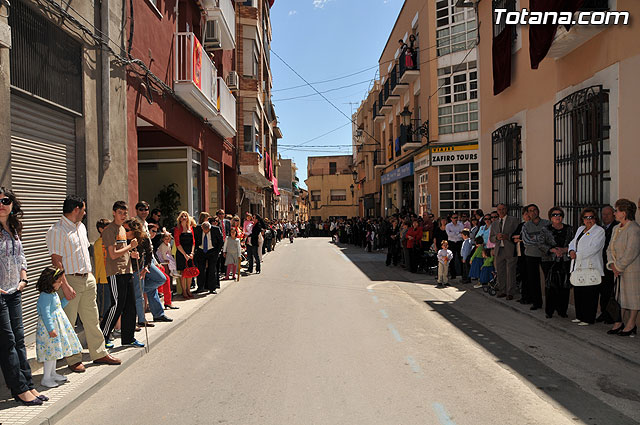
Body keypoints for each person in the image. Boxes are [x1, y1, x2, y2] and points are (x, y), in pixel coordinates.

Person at [46, 195, 121, 372]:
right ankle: (73, 359)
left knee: (92, 319)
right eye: (84, 209)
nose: (85, 212)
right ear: (76, 210)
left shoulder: (81, 227)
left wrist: (91, 276)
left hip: (87, 279)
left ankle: (99, 353)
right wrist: (64, 285)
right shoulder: (56, 230)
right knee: (69, 322)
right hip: (70, 279)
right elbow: (56, 260)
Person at [0, 187, 45, 405]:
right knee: (7, 342)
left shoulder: (14, 228)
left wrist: (24, 279)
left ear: (12, 205)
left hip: (15, 292)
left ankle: (28, 385)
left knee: (19, 341)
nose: (2, 204)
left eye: (5, 200)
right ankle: (19, 390)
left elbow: (22, 256)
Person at [100, 201, 144, 348]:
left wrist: (132, 253)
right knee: (116, 305)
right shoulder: (109, 230)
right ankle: (103, 337)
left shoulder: (123, 230)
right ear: (114, 213)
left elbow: (122, 251)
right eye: (120, 212)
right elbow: (112, 255)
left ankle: (128, 338)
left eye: (125, 213)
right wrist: (129, 247)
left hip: (127, 270)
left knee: (130, 306)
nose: (123, 215)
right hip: (115, 272)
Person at [36, 267, 83, 388]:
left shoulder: (52, 294)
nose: (61, 283)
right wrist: (51, 329)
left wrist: (66, 300)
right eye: (59, 281)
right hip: (49, 329)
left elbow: (57, 307)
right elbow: (46, 314)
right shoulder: (45, 296)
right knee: (50, 354)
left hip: (56, 326)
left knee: (55, 352)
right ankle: (46, 378)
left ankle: (52, 373)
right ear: (51, 282)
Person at [125, 219, 172, 324]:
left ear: (134, 230)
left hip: (144, 264)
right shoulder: (124, 239)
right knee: (140, 295)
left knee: (162, 278)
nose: (124, 231)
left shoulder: (143, 238)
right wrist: (129, 252)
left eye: (127, 230)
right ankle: (143, 319)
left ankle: (138, 290)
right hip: (134, 268)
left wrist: (146, 266)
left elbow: (149, 252)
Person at [606, 199, 640, 336]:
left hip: (631, 270)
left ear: (624, 213)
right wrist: (612, 265)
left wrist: (619, 267)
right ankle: (618, 322)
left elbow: (632, 251)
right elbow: (609, 249)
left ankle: (631, 323)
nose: (614, 213)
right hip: (617, 271)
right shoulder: (616, 228)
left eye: (617, 210)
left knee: (633, 297)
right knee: (619, 297)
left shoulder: (634, 229)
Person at [568, 208, 605, 325]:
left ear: (595, 218)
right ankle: (580, 315)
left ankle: (588, 318)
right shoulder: (580, 229)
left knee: (590, 294)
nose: (588, 220)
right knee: (579, 292)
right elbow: (572, 242)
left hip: (591, 266)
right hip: (578, 266)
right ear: (582, 219)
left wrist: (577, 255)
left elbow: (594, 248)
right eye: (586, 217)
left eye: (591, 217)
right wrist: (571, 251)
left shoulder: (599, 231)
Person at [542, 207, 573, 319]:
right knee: (551, 286)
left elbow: (574, 242)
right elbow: (541, 244)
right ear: (551, 217)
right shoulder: (545, 229)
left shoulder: (569, 229)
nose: (557, 217)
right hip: (550, 261)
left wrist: (565, 250)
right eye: (554, 215)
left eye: (559, 215)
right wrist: (553, 250)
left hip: (565, 260)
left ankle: (562, 310)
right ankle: (549, 310)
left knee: (564, 285)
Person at [521, 204, 551, 311]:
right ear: (527, 213)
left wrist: (535, 238)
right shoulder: (525, 226)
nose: (533, 212)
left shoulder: (547, 223)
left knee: (549, 280)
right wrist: (541, 241)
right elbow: (526, 240)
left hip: (545, 255)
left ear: (538, 211)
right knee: (533, 280)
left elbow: (549, 238)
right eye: (530, 211)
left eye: (534, 210)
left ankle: (551, 305)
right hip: (531, 255)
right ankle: (536, 303)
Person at [490, 203, 519, 299]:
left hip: (510, 249)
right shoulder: (494, 223)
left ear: (506, 210)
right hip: (499, 250)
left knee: (510, 271)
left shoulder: (513, 220)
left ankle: (510, 292)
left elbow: (518, 234)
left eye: (503, 209)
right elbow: (491, 238)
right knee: (500, 271)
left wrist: (508, 236)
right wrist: (496, 237)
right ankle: (502, 290)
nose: (501, 211)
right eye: (499, 209)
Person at [597, 205, 618, 323]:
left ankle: (610, 315)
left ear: (613, 214)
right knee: (603, 290)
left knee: (610, 291)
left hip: (610, 264)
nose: (605, 217)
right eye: (603, 214)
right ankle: (603, 312)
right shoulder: (600, 228)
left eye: (608, 214)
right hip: (601, 264)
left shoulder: (616, 227)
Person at [174, 211, 196, 299]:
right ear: (179, 218)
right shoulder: (177, 229)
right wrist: (185, 255)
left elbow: (193, 242)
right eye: (182, 216)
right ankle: (184, 291)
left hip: (190, 252)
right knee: (183, 272)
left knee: (190, 272)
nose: (184, 218)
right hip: (181, 253)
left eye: (185, 216)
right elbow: (177, 243)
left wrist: (192, 253)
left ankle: (188, 290)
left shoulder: (190, 228)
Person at [94, 219, 111, 320]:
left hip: (109, 277)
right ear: (101, 230)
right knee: (104, 306)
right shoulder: (99, 243)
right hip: (103, 278)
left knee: (109, 305)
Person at [199, 220, 223, 293]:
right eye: (204, 231)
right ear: (201, 228)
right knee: (201, 269)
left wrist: (217, 251)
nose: (206, 232)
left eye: (207, 231)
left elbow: (221, 241)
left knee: (212, 270)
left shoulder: (216, 229)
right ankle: (200, 287)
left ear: (210, 228)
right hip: (201, 251)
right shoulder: (197, 229)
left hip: (212, 251)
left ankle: (212, 288)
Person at [445, 213, 464, 279]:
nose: (455, 219)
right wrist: (457, 233)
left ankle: (462, 274)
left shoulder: (461, 225)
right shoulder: (448, 225)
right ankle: (453, 274)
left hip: (459, 242)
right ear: (451, 219)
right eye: (454, 218)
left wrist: (454, 233)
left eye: (456, 217)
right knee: (451, 258)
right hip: (451, 243)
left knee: (460, 257)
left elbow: (462, 234)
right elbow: (449, 234)